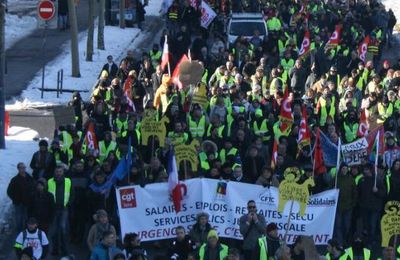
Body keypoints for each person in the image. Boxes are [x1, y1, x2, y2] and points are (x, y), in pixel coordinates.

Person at [48, 166, 72, 256]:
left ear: (63, 172)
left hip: (64, 209)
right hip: (53, 209)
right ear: (55, 172)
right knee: (54, 231)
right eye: (57, 171)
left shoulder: (68, 181)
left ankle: (64, 249)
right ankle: (55, 249)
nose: (58, 173)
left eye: (60, 171)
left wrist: (69, 203)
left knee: (63, 229)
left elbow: (72, 194)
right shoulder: (50, 181)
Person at [7, 162, 35, 232]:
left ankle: (26, 230)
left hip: (27, 202)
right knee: (18, 217)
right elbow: (9, 191)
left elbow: (34, 188)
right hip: (18, 203)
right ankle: (19, 231)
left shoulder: (30, 178)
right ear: (18, 169)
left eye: (24, 167)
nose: (23, 169)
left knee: (26, 216)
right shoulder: (14, 179)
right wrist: (15, 198)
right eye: (21, 168)